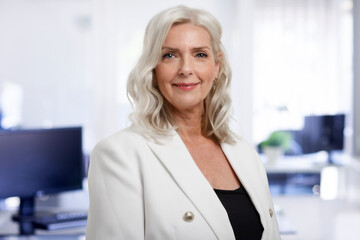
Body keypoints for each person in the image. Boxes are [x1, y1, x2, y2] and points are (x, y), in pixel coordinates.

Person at [86, 5, 281, 240]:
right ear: (153, 69)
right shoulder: (119, 154)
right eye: (169, 55)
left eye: (200, 54)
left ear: (216, 67)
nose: (186, 69)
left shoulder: (244, 153)